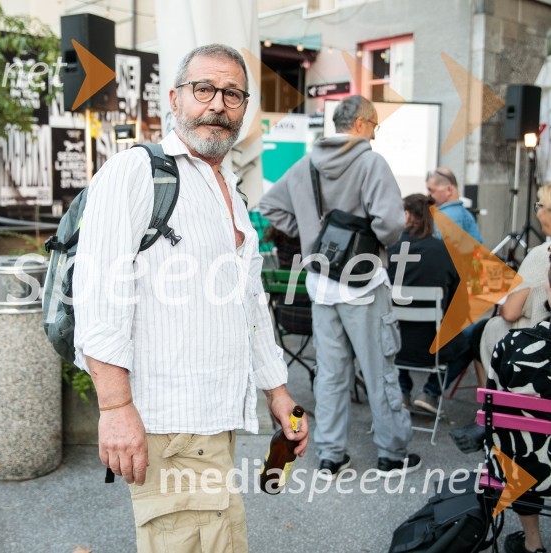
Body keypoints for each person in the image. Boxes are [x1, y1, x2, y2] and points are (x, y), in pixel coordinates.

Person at [72, 44, 309, 552]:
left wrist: (277, 391)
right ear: (176, 98)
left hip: (213, 422)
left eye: (232, 94)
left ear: (244, 108)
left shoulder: (227, 186)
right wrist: (114, 407)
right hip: (167, 423)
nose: (217, 105)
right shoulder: (135, 172)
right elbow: (98, 298)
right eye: (204, 89)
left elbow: (248, 305)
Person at [259, 94, 419, 481]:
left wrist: (314, 237)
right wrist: (372, 240)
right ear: (362, 123)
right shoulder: (370, 161)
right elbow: (392, 223)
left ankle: (331, 456)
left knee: (330, 373)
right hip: (364, 282)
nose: (376, 135)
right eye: (376, 127)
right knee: (379, 368)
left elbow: (270, 206)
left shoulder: (306, 163)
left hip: (321, 283)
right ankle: (391, 456)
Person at [486, 258, 551, 553]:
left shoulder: (513, 344)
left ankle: (532, 542)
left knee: (519, 442)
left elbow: (492, 415)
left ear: (548, 287)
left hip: (525, 471)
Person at [387, 194, 473, 413]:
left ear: (406, 215)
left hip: (391, 344)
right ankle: (431, 391)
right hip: (434, 346)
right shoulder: (444, 252)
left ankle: (402, 388)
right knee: (469, 342)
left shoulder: (386, 250)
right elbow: (460, 306)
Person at [472, 184, 551, 374]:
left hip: (536, 347)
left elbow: (511, 312)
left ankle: (491, 400)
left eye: (539, 206)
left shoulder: (542, 254)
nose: (538, 213)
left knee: (480, 331)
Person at [426, 167, 482, 243]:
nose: (428, 195)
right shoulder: (466, 214)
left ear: (449, 189)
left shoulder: (445, 217)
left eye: (431, 190)